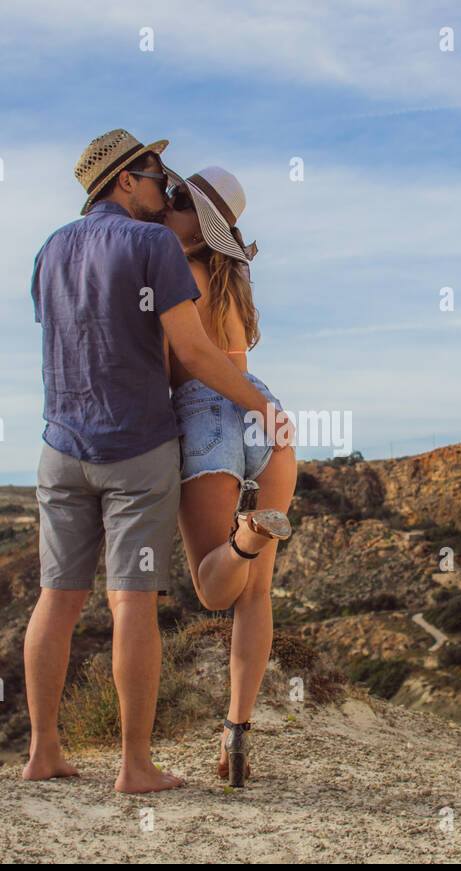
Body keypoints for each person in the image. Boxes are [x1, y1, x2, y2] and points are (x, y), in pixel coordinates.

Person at [22, 130, 290, 794]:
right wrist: (260, 407)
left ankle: (43, 752)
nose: (159, 185)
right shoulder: (152, 247)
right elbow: (198, 355)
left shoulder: (49, 249)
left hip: (62, 444)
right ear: (123, 182)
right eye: (154, 175)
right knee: (133, 602)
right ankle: (136, 766)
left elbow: (66, 331)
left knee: (56, 599)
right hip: (139, 446)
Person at [161, 166, 298, 787]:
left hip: (205, 414)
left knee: (215, 588)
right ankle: (236, 735)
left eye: (178, 198)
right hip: (265, 418)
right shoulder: (232, 281)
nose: (167, 203)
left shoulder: (174, 274)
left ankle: (246, 534)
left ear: (198, 219)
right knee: (257, 595)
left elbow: (180, 363)